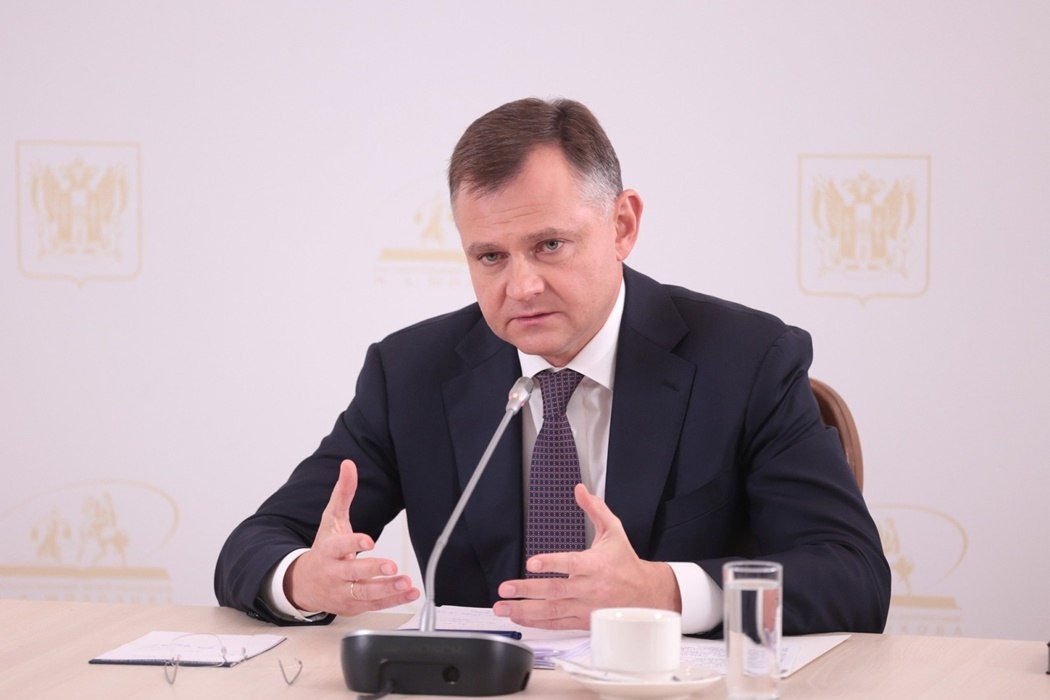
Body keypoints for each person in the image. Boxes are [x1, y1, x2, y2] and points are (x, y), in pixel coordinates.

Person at [214, 97, 890, 635]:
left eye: (550, 245)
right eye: (491, 256)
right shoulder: (411, 373)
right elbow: (256, 544)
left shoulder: (743, 360)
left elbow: (852, 576)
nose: (522, 286)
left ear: (622, 225)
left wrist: (663, 592)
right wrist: (302, 579)